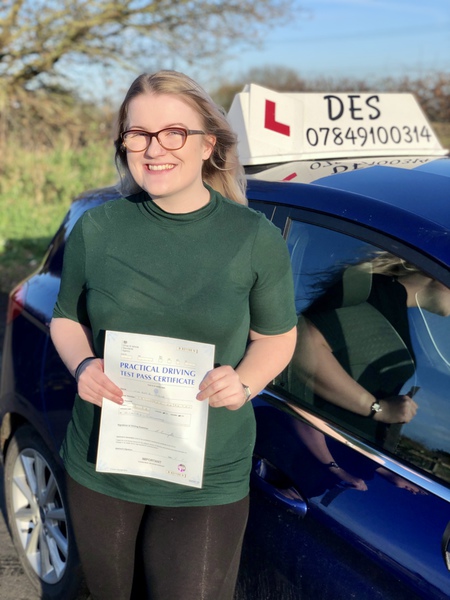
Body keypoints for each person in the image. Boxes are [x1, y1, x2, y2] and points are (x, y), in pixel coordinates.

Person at [50, 70, 298, 600]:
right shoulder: (97, 229)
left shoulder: (253, 237)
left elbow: (277, 338)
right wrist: (83, 365)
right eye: (138, 134)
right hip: (104, 459)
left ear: (209, 144)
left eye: (173, 133)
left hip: (206, 468)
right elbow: (66, 317)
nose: (153, 148)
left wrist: (245, 383)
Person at [289, 253, 450, 448]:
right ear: (437, 270)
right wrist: (378, 409)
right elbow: (303, 347)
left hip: (344, 449)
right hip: (320, 446)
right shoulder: (378, 295)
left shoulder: (400, 309)